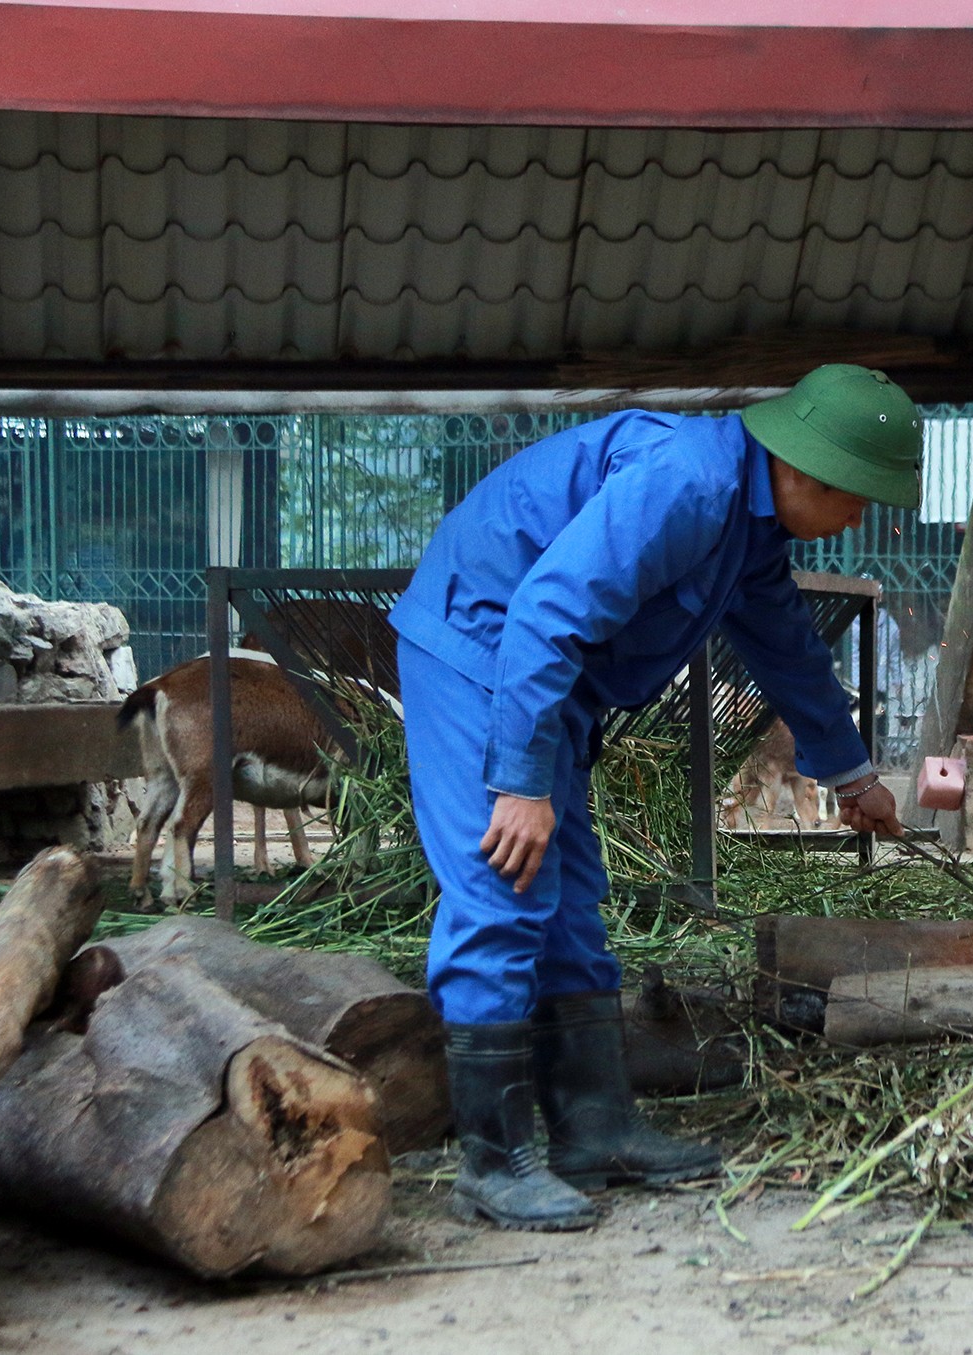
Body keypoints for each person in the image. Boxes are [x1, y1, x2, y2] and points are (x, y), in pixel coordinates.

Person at [390, 365, 916, 1230]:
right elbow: (545, 612)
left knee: (572, 903)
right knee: (504, 884)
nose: (859, 518)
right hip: (484, 652)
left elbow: (786, 644)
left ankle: (593, 1125)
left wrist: (852, 773)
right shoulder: (691, 481)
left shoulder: (748, 528)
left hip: (542, 680)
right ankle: (494, 1159)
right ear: (811, 470)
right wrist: (520, 779)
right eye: (859, 498)